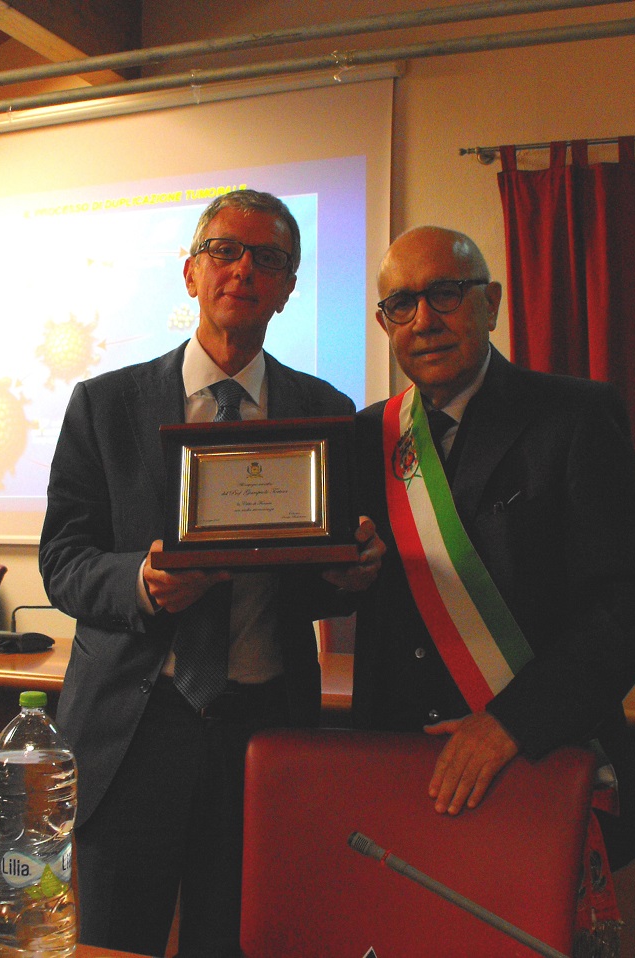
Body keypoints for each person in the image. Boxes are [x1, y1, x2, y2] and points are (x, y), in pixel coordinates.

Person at [40, 189, 383, 958]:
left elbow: (321, 571)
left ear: (288, 289)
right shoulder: (104, 404)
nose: (242, 270)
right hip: (134, 730)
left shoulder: (324, 410)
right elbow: (62, 561)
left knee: (235, 944)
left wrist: (352, 571)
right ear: (190, 272)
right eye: (224, 251)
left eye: (268, 259)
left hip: (263, 728)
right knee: (112, 944)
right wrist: (142, 582)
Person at [353, 226, 635, 945]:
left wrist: (511, 724)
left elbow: (629, 603)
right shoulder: (370, 436)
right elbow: (350, 590)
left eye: (445, 294)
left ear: (490, 303)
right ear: (384, 323)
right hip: (402, 772)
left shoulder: (574, 416)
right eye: (401, 304)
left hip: (535, 759)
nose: (424, 320)